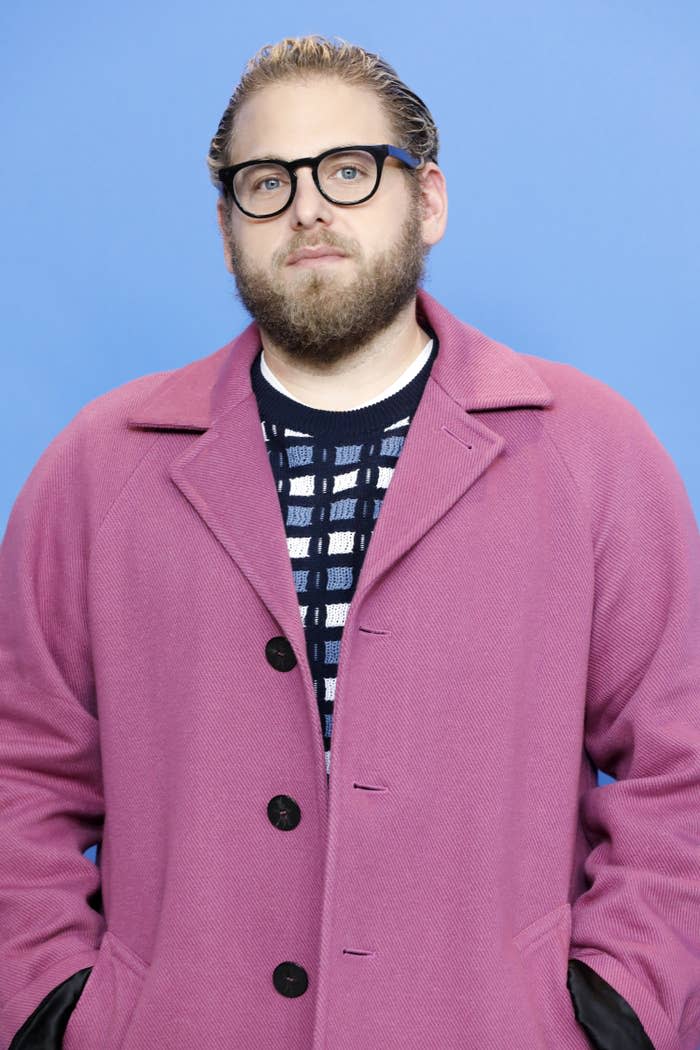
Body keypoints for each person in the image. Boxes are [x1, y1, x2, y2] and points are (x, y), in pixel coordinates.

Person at [1, 33, 697, 1050]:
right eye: (266, 181)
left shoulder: (590, 450)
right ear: (228, 223)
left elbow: (678, 771)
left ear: (428, 201)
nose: (308, 207)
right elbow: (21, 770)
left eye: (348, 169)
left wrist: (621, 1006)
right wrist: (53, 1009)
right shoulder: (97, 467)